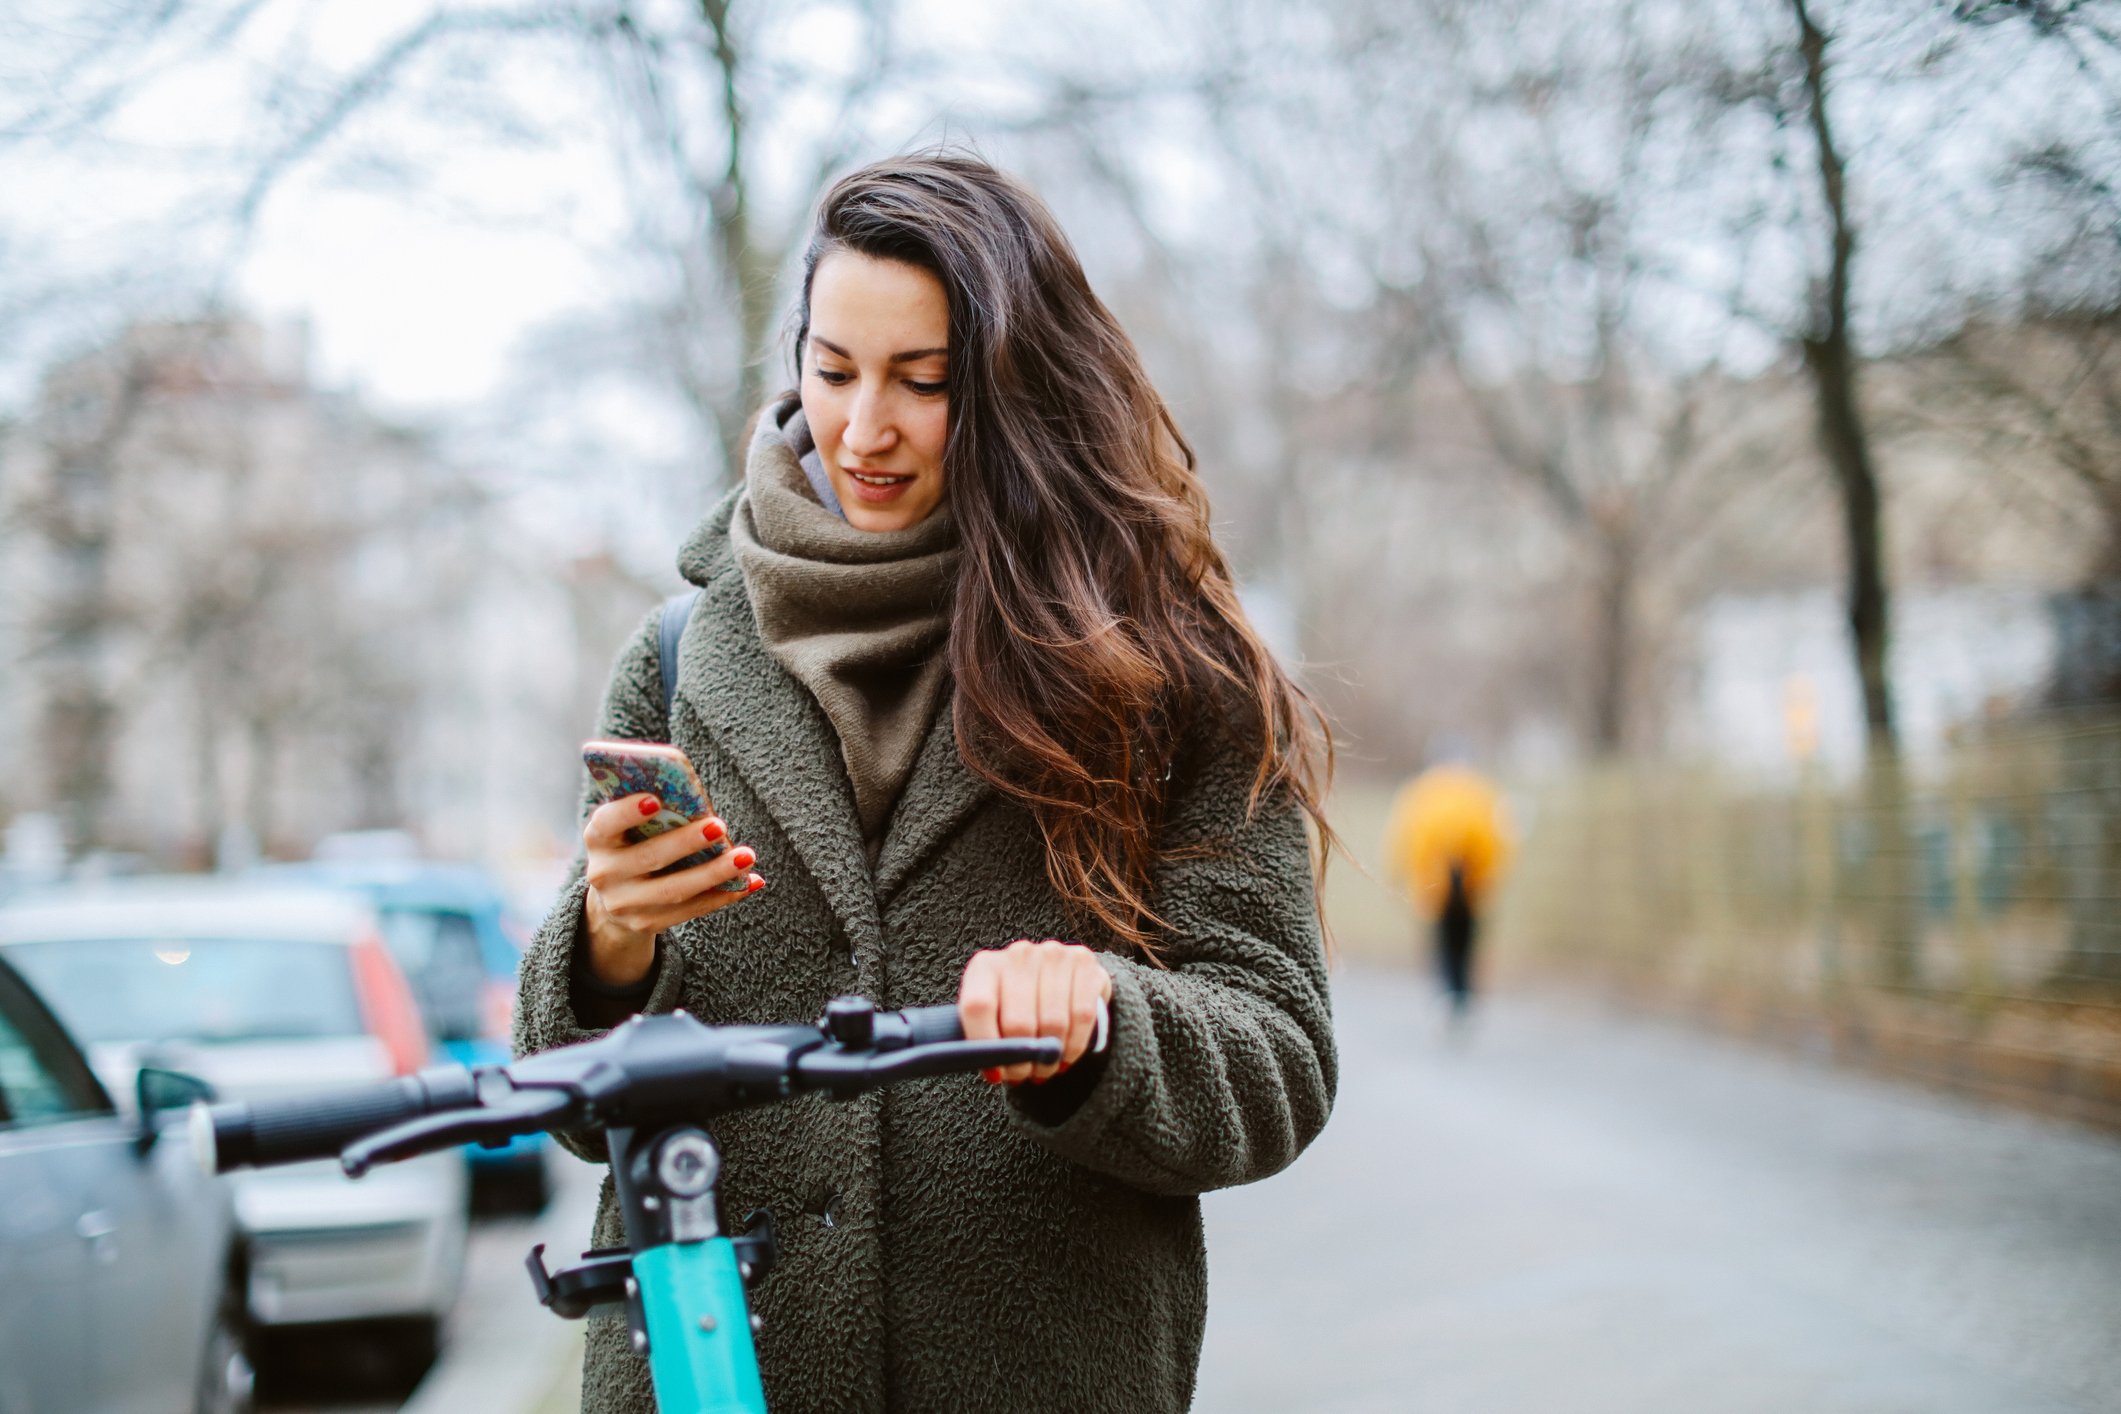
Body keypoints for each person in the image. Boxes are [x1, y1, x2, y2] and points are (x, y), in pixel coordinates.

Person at [514, 152, 1337, 1414]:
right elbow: (576, 1105)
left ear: (1018, 392)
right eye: (833, 370)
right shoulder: (676, 659)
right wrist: (609, 941)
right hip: (709, 1377)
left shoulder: (1171, 669)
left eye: (924, 383)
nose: (862, 429)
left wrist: (1101, 1021)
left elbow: (1278, 1055)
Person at [1383, 759, 1512, 1019]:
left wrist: (1396, 876)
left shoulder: (1422, 791)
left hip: (1437, 882)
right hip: (1471, 881)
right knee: (1466, 938)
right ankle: (1462, 993)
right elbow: (1501, 836)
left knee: (1444, 940)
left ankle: (1450, 993)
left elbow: (1402, 835)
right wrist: (1491, 879)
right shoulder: (1481, 790)